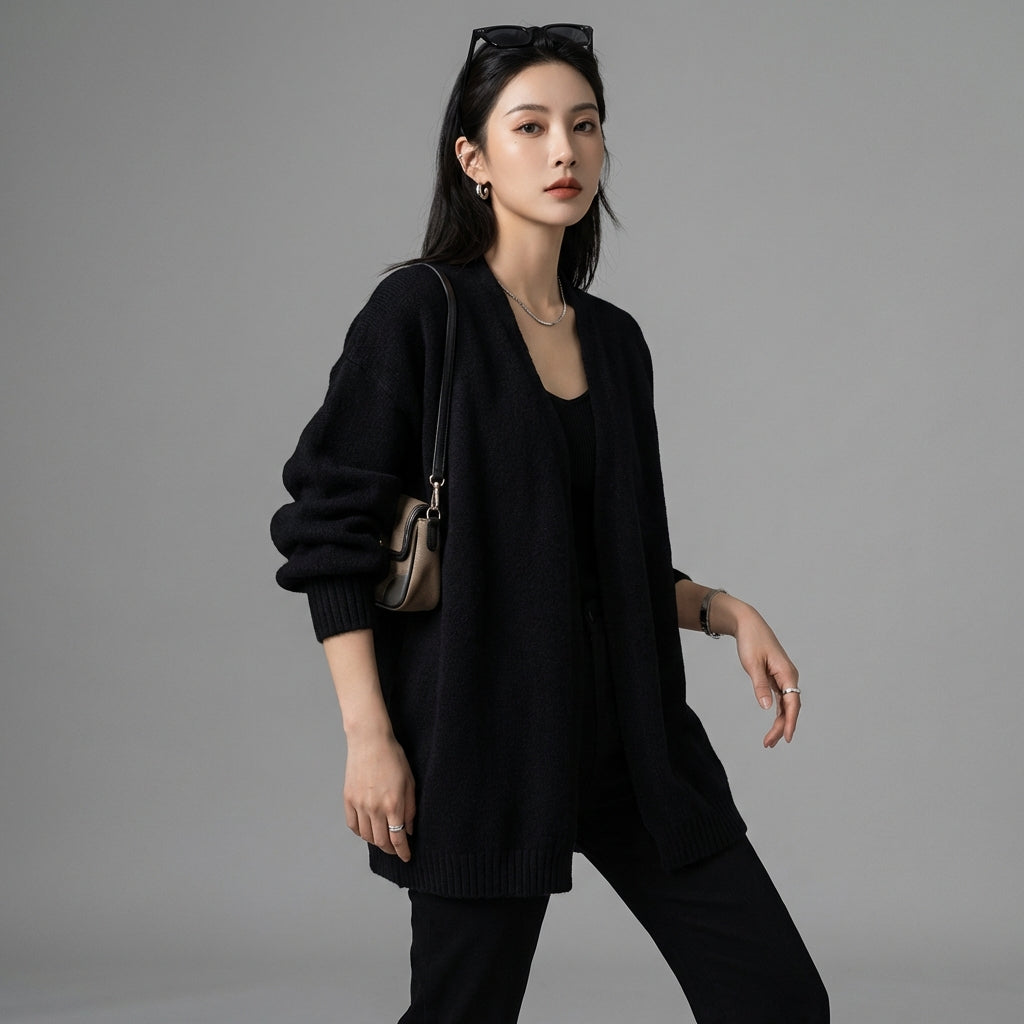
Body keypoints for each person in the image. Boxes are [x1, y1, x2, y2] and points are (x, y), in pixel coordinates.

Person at [271, 23, 829, 1024]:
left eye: (584, 125)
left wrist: (721, 609)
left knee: (778, 1002)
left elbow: (605, 560)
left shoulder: (614, 343)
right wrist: (370, 737)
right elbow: (328, 532)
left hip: (633, 742)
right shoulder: (419, 311)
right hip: (483, 745)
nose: (563, 150)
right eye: (529, 127)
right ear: (474, 159)